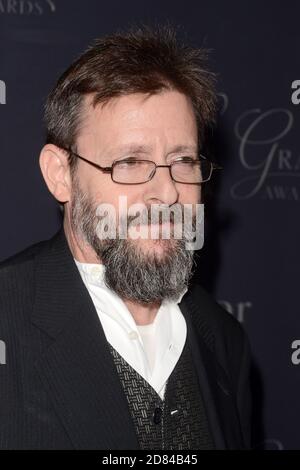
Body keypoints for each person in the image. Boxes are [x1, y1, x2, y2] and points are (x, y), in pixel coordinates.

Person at [0, 24, 251, 450]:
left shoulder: (224, 339)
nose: (169, 192)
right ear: (61, 176)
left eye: (184, 160)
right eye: (131, 161)